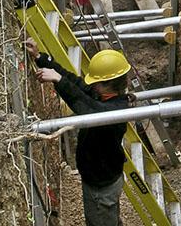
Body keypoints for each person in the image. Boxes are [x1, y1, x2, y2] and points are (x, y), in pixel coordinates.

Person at [25, 38, 132, 226]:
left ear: (108, 83)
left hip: (102, 186)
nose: (91, 85)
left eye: (95, 82)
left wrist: (58, 80)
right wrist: (41, 58)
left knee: (100, 220)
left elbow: (88, 108)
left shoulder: (115, 111)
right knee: (106, 219)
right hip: (98, 179)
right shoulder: (103, 95)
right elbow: (76, 84)